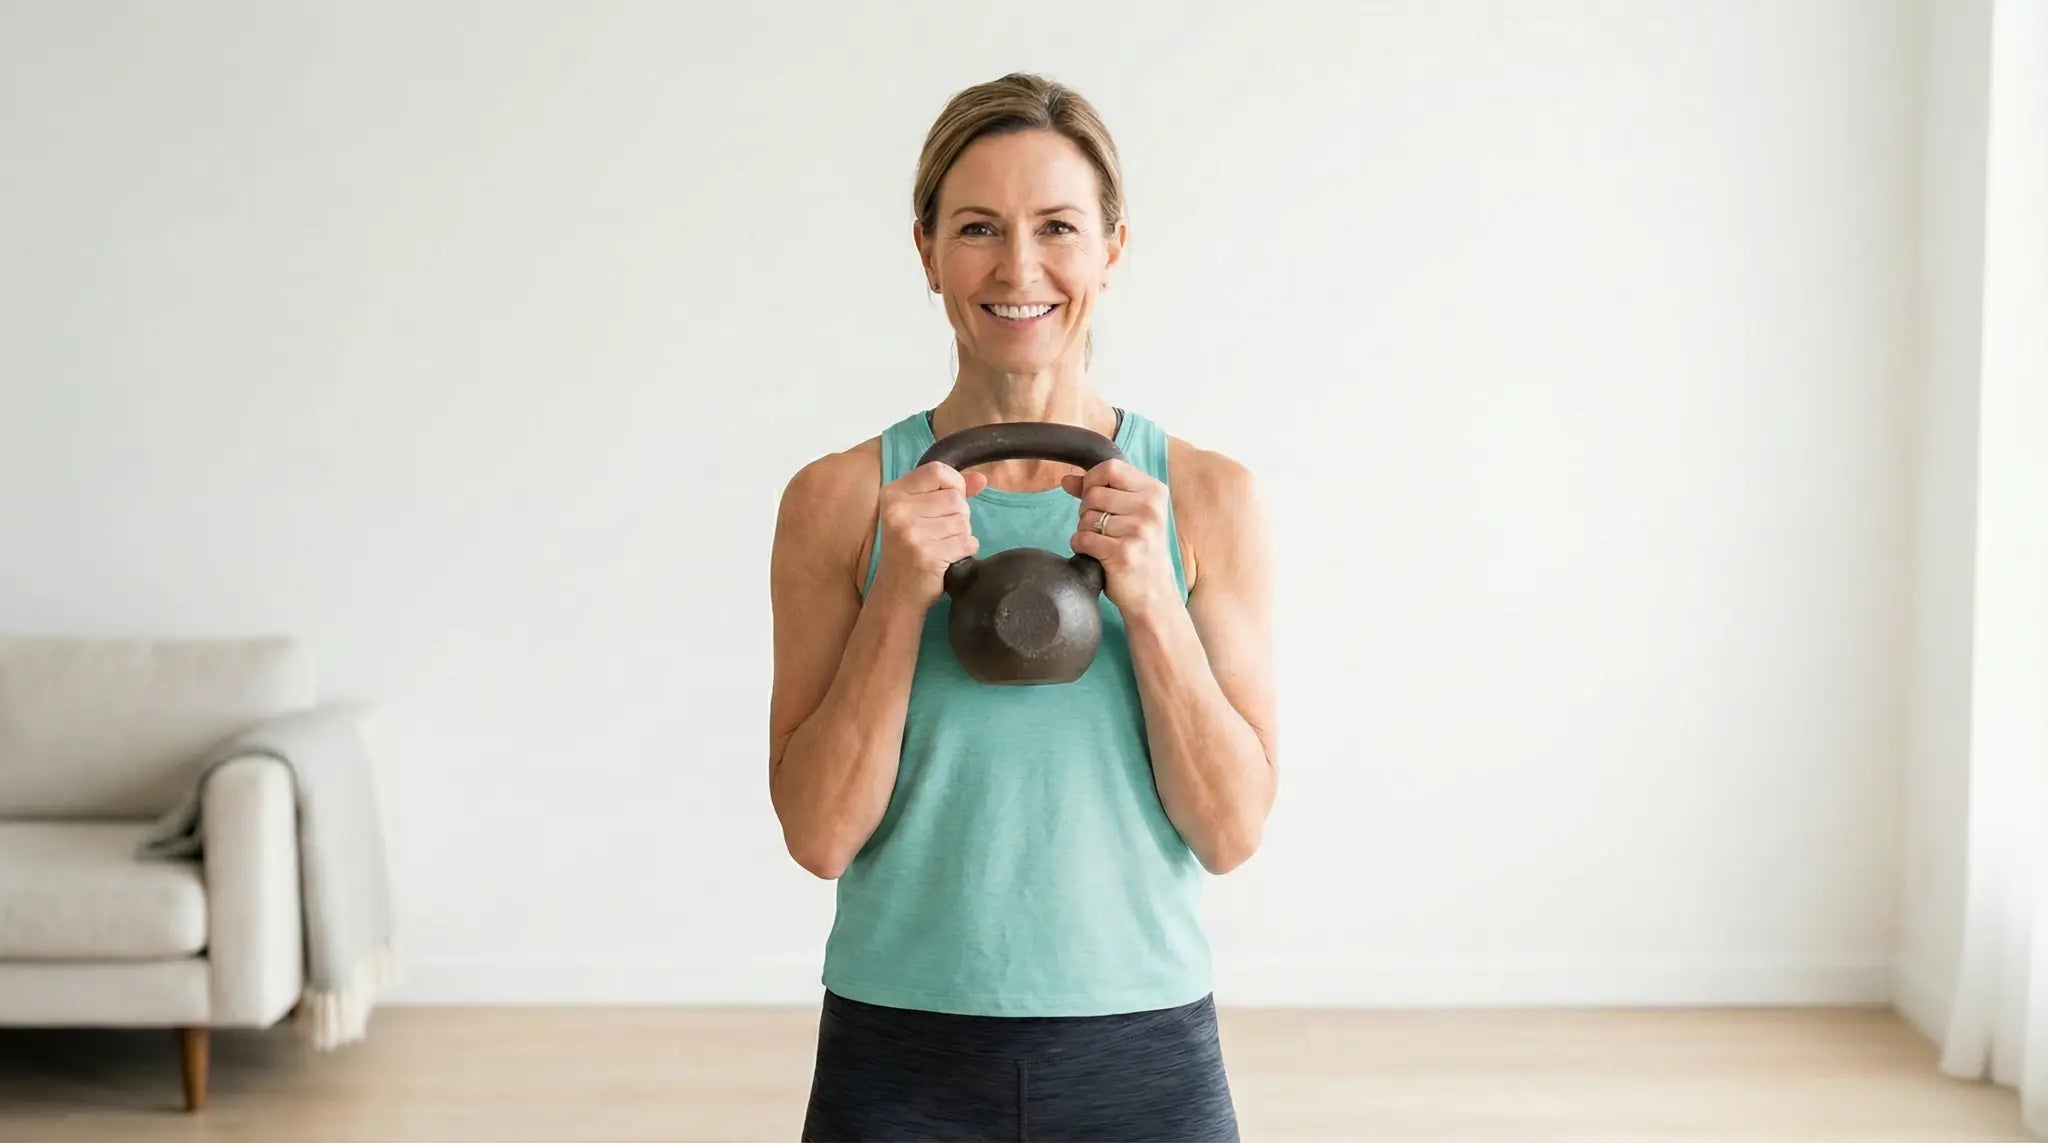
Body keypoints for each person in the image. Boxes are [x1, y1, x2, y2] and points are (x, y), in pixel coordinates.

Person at [767, 72, 1277, 1142]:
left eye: (1056, 227)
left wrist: (1151, 604)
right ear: (924, 252)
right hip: (897, 1046)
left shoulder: (1207, 498)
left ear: (1111, 249)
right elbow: (818, 835)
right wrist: (896, 596)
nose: (1018, 269)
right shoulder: (838, 501)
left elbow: (1229, 832)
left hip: (1141, 1047)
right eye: (976, 229)